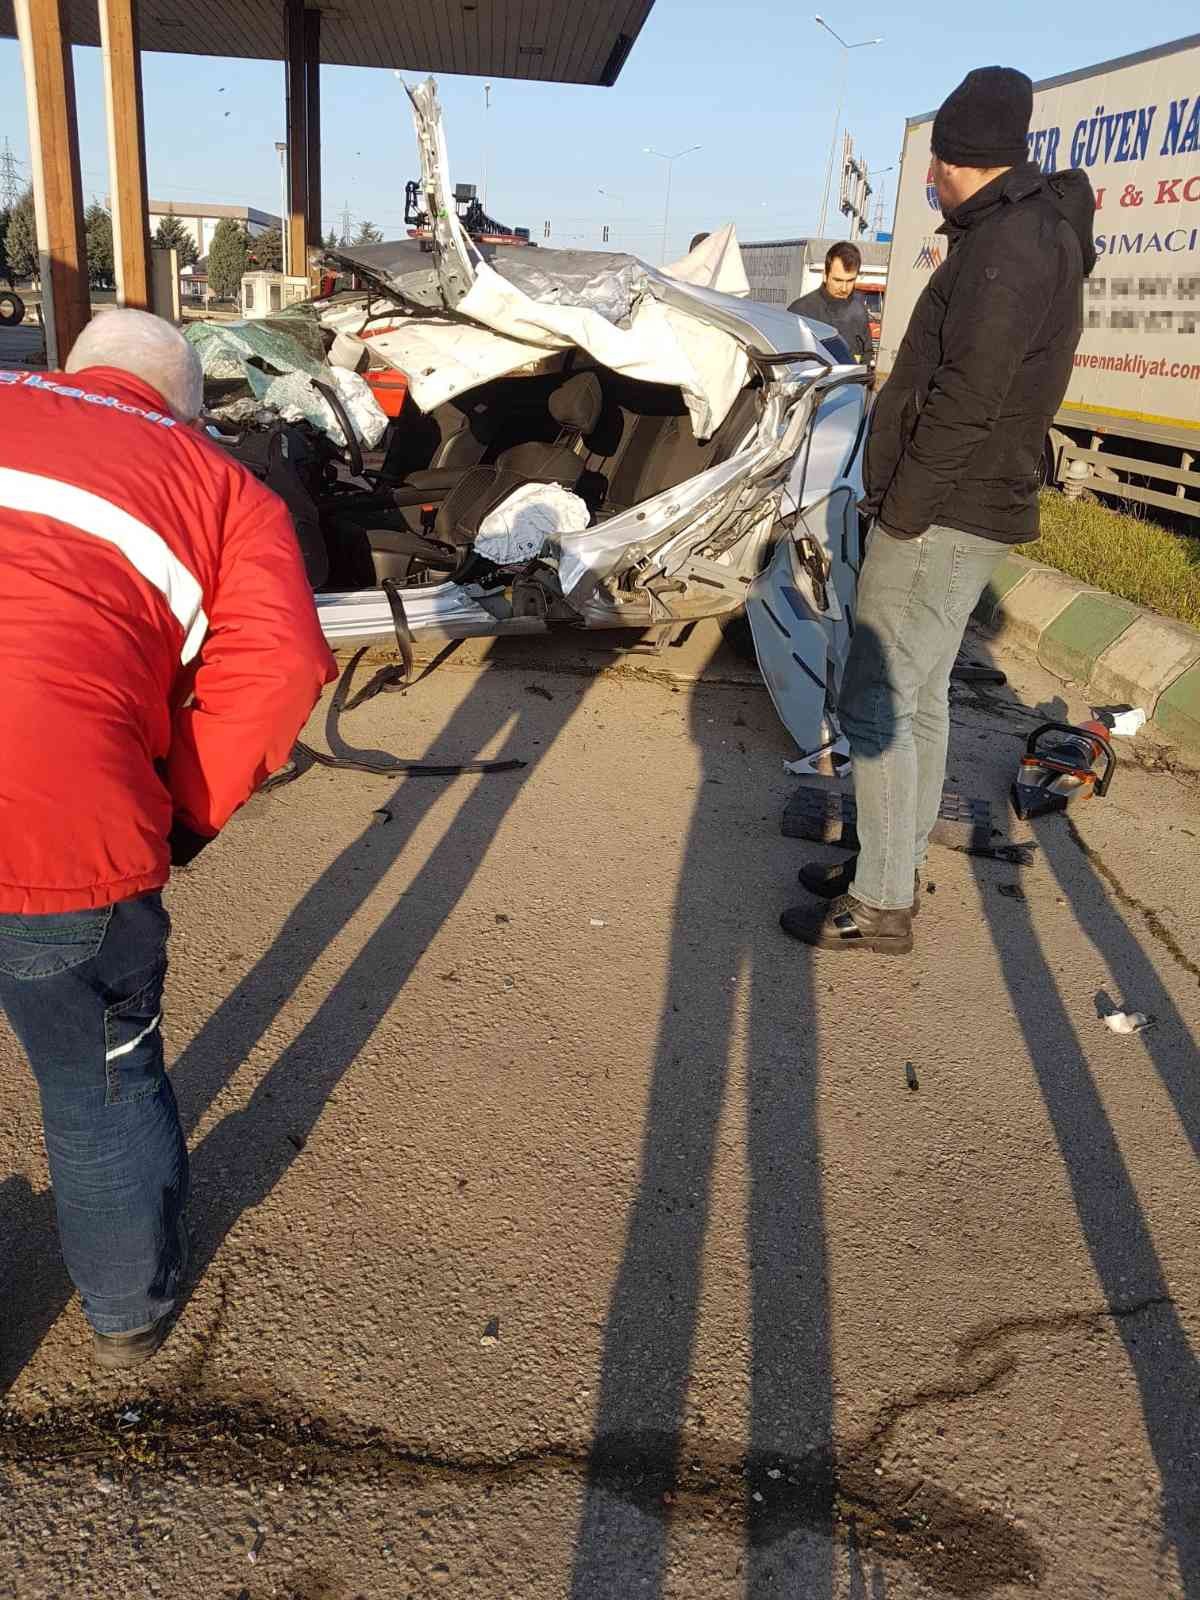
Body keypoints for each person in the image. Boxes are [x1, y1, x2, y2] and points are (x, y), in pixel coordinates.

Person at [0, 310, 337, 1366]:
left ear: (72, 369)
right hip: (59, 829)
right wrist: (180, 816)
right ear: (190, 410)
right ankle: (125, 1312)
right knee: (97, 1079)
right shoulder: (221, 486)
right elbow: (277, 669)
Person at [780, 66, 1095, 955]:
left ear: (963, 157)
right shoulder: (1017, 232)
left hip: (944, 509)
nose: (929, 179)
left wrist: (901, 511)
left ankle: (880, 903)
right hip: (963, 505)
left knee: (877, 696)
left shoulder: (1012, 245)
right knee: (916, 696)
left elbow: (970, 397)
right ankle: (888, 860)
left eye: (937, 162)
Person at [789, 242, 872, 364]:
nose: (844, 288)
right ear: (825, 275)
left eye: (850, 280)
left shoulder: (859, 309)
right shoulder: (800, 312)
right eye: (838, 280)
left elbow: (867, 354)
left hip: (852, 381)